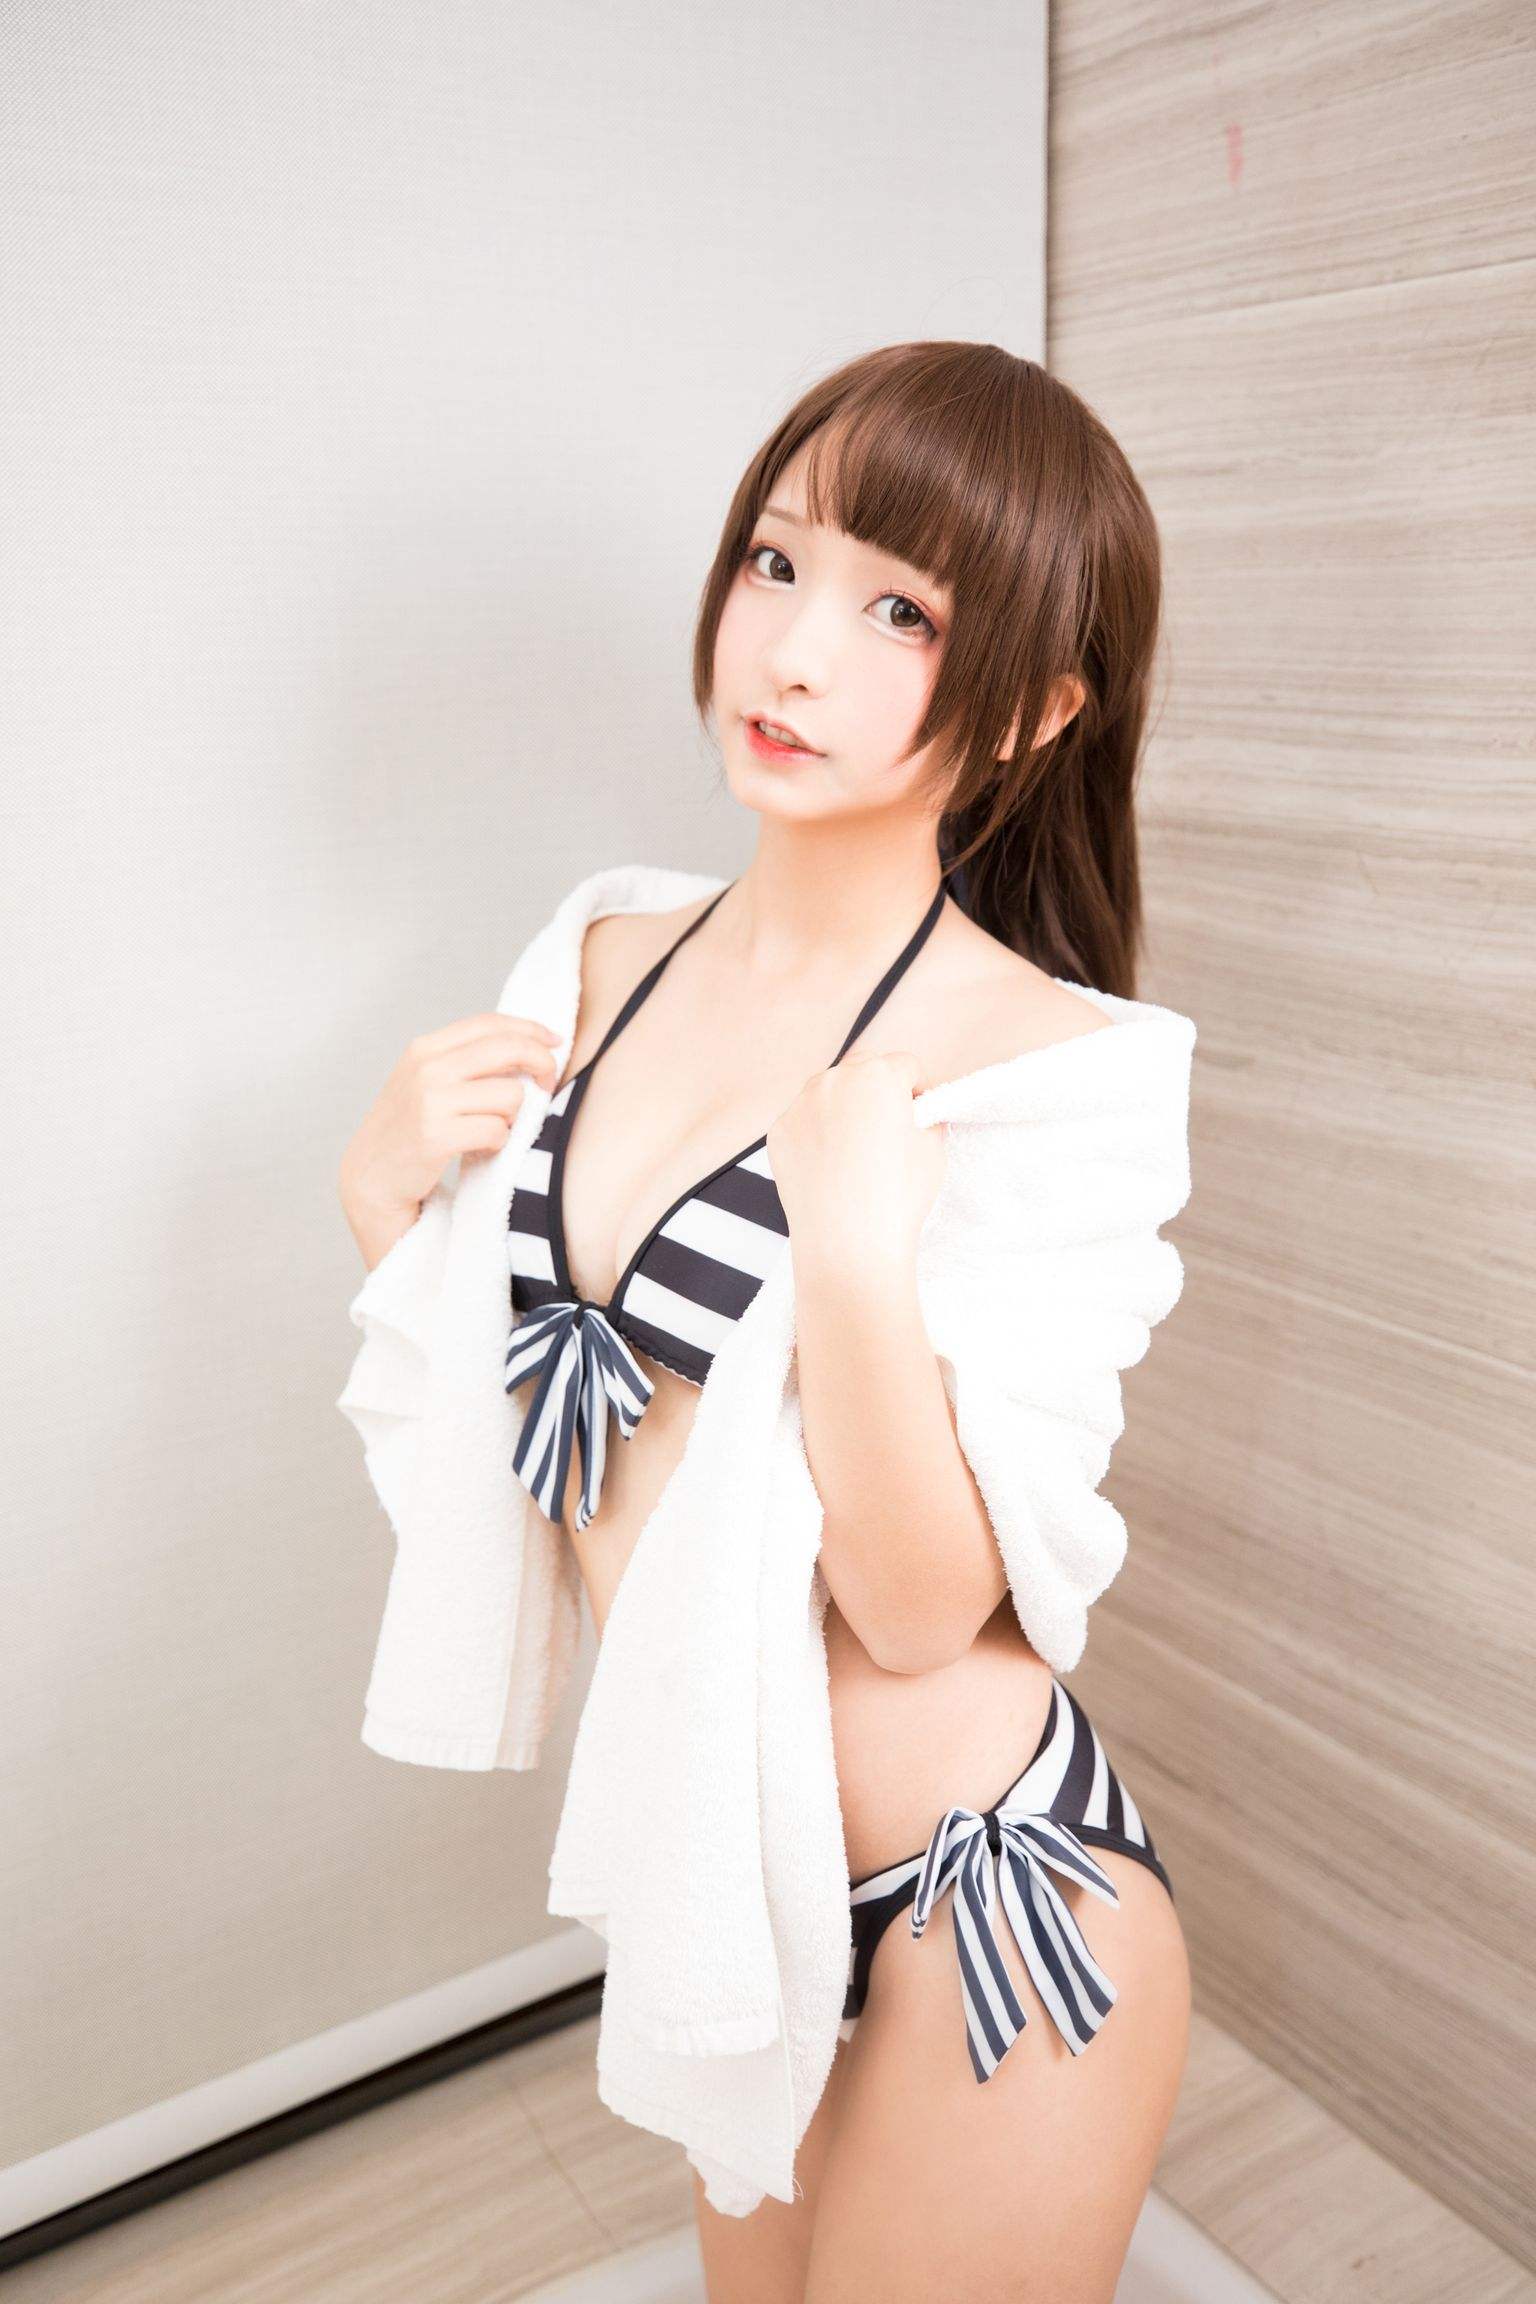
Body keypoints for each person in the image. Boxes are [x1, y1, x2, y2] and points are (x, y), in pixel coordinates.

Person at [339, 340, 1194, 2302]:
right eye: (778, 562)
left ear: (1034, 710)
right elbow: (529, 1461)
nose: (794, 653)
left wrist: (861, 1267)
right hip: (724, 1885)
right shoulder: (599, 952)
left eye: (904, 614)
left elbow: (919, 1611)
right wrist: (386, 1203)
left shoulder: (1062, 1072)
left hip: (985, 1909)